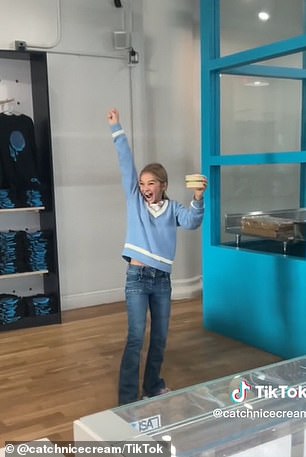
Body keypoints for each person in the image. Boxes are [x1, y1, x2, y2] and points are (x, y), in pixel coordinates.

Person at [107, 108, 208, 405]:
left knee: (160, 339)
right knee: (136, 337)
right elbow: (126, 162)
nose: (145, 188)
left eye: (151, 183)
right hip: (137, 279)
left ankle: (152, 385)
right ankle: (127, 399)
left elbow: (192, 222)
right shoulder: (135, 202)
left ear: (163, 185)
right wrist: (116, 128)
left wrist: (199, 199)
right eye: (142, 183)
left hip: (162, 280)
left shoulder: (174, 208)